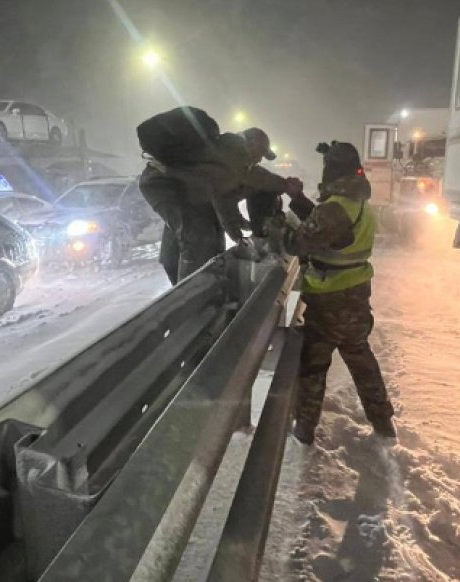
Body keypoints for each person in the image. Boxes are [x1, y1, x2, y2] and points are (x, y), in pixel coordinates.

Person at [278, 140, 395, 445]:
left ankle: (304, 430)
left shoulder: (334, 209)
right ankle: (383, 423)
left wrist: (279, 225)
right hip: (356, 296)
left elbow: (298, 243)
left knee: (314, 366)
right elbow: (328, 228)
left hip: (329, 301)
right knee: (361, 360)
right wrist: (299, 199)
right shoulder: (358, 204)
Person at [138, 110, 299, 283]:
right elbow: (254, 179)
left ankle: (185, 277)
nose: (260, 159)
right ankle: (192, 290)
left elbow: (224, 200)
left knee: (202, 227)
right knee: (196, 233)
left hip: (176, 185)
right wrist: (286, 185)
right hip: (162, 183)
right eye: (261, 152)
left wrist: (238, 230)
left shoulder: (224, 157)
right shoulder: (234, 150)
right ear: (251, 142)